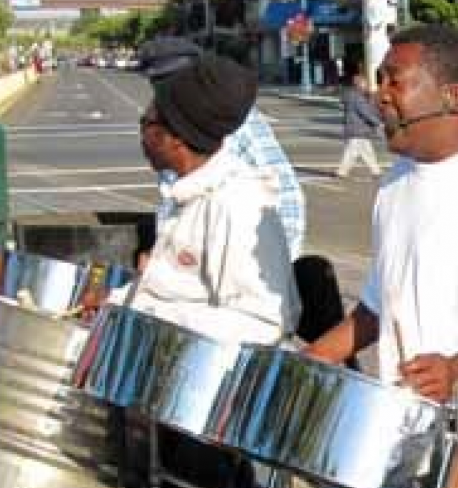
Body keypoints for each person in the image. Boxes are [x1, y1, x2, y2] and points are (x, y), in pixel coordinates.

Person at [304, 25, 458, 452]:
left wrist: (454, 370)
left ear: (453, 97)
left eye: (395, 81)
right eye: (379, 80)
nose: (379, 95)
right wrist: (314, 358)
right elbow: (380, 305)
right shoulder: (394, 182)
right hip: (409, 430)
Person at [129, 54, 300, 488]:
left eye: (147, 121)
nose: (141, 130)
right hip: (177, 402)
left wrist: (152, 321)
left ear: (174, 138)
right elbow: (176, 292)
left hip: (215, 420)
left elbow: (264, 321)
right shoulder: (189, 194)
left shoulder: (236, 203)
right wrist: (118, 304)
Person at [137, 37, 307, 260]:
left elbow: (287, 202)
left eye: (172, 82)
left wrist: (273, 263)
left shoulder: (229, 120)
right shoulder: (174, 124)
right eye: (157, 83)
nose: (163, 93)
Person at [336, 74, 384, 178]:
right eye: (365, 83)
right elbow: (365, 112)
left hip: (357, 128)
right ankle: (341, 172)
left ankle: (376, 171)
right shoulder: (357, 97)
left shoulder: (353, 95)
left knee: (364, 151)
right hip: (358, 129)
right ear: (359, 84)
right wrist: (378, 123)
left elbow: (366, 110)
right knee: (354, 152)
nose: (366, 85)